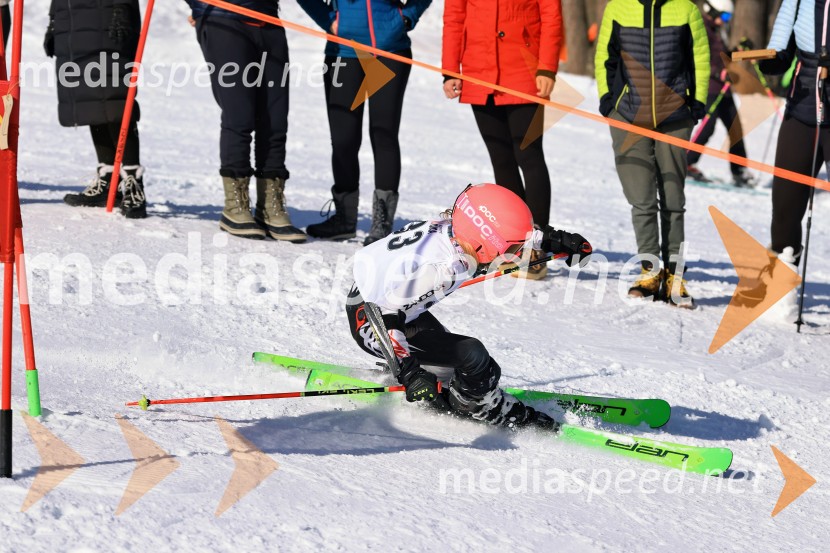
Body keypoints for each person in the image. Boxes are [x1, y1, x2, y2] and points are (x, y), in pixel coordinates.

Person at [345, 183, 592, 428]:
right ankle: (481, 408)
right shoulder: (444, 269)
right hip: (373, 323)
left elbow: (499, 231)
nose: (516, 256)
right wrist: (407, 371)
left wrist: (553, 240)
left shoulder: (453, 229)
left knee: (456, 367)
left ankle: (446, 387)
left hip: (384, 303)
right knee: (473, 356)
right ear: (487, 243)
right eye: (513, 249)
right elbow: (385, 316)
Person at [594, 0, 709, 308]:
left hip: (675, 116)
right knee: (641, 198)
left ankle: (675, 276)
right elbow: (605, 56)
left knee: (673, 199)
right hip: (628, 116)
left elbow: (699, 56)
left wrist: (697, 100)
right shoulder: (618, 7)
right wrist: (608, 100)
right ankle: (651, 271)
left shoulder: (686, 9)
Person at [442, 0, 563, 279]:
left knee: (529, 155)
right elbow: (455, 16)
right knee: (501, 159)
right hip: (479, 71)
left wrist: (547, 67)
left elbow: (551, 16)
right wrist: (450, 68)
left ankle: (535, 250)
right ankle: (515, 243)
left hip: (525, 70)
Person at [298, 0, 432, 245]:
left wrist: (405, 17)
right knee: (343, 138)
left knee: (383, 134)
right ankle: (344, 218)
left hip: (390, 51)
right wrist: (328, 20)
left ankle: (382, 221)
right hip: (343, 52)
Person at [735, 0, 830, 314]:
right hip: (802, 111)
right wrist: (771, 61)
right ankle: (780, 285)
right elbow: (782, 47)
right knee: (785, 203)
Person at [185, 0, 306, 242]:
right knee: (239, 115)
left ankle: (270, 206)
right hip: (224, 20)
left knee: (275, 118)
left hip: (269, 21)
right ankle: (235, 206)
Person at [45, 0, 147, 218]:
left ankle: (132, 181)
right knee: (88, 97)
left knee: (115, 95)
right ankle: (109, 178)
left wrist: (122, 6)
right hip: (72, 15)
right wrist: (54, 18)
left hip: (110, 13)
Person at [686, 0, 756, 188]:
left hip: (723, 89)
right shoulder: (702, 30)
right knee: (707, 128)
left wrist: (739, 51)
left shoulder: (719, 31)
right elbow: (698, 58)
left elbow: (722, 57)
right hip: (709, 87)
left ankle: (739, 171)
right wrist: (719, 72)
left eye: (728, 17)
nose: (725, 21)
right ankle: (686, 163)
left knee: (736, 129)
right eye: (724, 16)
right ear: (712, 10)